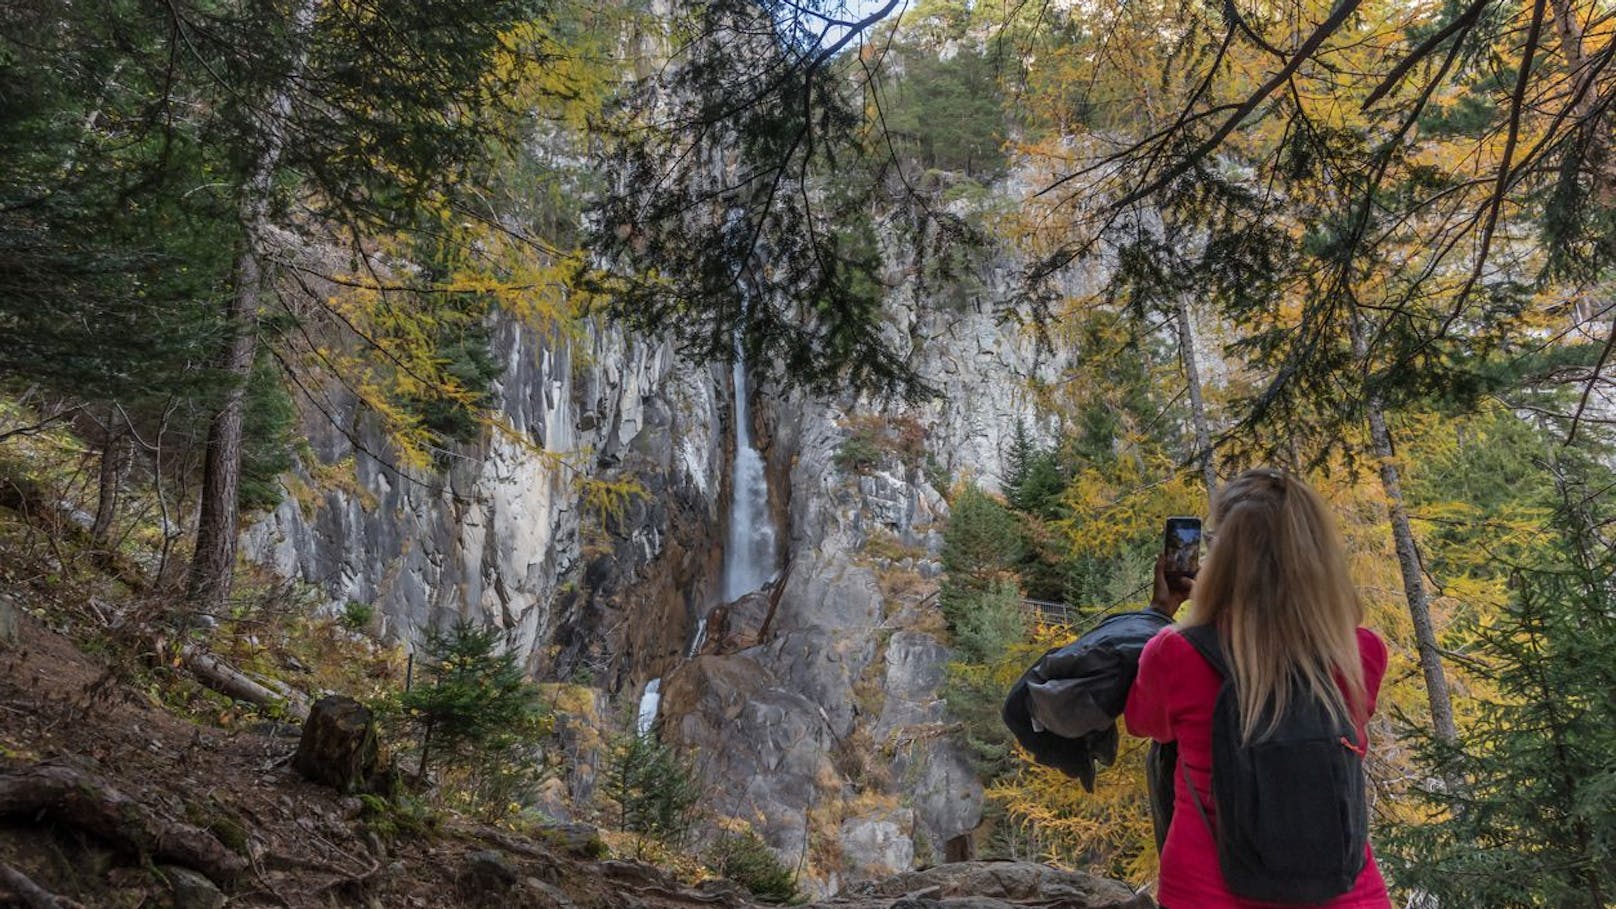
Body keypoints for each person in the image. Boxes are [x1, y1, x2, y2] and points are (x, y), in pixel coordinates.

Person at [1124, 469, 1392, 909]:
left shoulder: (1174, 655)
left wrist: (1164, 611)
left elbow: (1143, 724)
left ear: (1221, 560)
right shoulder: (1361, 653)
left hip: (1206, 893)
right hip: (1346, 894)